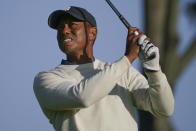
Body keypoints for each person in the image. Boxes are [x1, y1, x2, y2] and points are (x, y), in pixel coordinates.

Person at [33, 6, 174, 131]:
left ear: (93, 33)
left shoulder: (123, 72)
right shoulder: (46, 79)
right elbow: (83, 97)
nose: (65, 31)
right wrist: (128, 58)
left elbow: (164, 109)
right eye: (60, 28)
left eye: (72, 25)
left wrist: (153, 69)